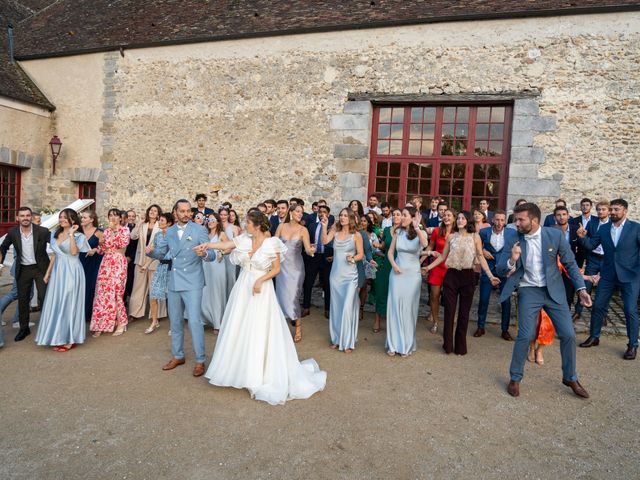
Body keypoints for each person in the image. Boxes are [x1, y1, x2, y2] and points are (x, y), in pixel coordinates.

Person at [200, 210, 326, 405]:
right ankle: (237, 368)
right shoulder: (244, 239)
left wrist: (261, 280)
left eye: (248, 223)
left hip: (261, 288)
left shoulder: (271, 243)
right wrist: (208, 244)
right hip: (243, 287)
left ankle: (258, 371)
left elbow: (276, 269)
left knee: (259, 326)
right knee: (239, 325)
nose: (245, 226)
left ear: (257, 225)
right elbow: (225, 244)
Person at [497, 202, 591, 398]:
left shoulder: (554, 235)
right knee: (525, 334)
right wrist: (512, 259)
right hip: (529, 290)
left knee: (568, 334)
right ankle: (515, 377)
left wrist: (581, 288)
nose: (517, 223)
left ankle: (570, 377)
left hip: (553, 290)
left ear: (534, 220)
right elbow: (500, 269)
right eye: (516, 219)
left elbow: (570, 263)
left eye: (521, 219)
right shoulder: (513, 237)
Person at [153, 199, 215, 377]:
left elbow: (211, 254)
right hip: (174, 280)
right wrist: (150, 251)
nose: (187, 214)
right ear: (175, 212)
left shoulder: (200, 229)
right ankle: (178, 355)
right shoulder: (170, 231)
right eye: (183, 211)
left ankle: (200, 360)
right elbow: (161, 253)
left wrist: (205, 254)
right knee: (176, 320)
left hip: (193, 281)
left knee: (195, 321)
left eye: (189, 211)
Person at [424, 211, 499, 355]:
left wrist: (490, 276)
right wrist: (428, 267)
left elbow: (480, 257)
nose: (459, 220)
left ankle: (460, 347)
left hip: (467, 276)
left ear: (468, 220)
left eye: (462, 218)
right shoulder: (451, 237)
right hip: (451, 275)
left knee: (464, 313)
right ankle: (448, 345)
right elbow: (442, 257)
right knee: (449, 311)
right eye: (457, 218)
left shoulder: (475, 237)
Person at [577, 198, 640, 360]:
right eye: (611, 209)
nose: (612, 212)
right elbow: (591, 245)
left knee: (630, 310)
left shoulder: (636, 228)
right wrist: (582, 237)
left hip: (630, 276)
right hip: (608, 274)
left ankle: (632, 345)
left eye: (616, 210)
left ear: (625, 211)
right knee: (598, 306)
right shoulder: (604, 229)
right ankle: (594, 337)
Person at [35, 209, 89, 351]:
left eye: (65, 217)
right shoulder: (54, 234)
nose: (62, 219)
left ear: (73, 219)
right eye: (61, 217)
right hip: (58, 272)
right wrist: (47, 274)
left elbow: (73, 252)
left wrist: (71, 234)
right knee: (57, 303)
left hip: (72, 271)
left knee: (69, 302)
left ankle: (71, 338)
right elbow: (54, 256)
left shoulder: (79, 236)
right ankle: (58, 336)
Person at [0, 206, 50, 342]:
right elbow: (3, 247)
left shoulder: (42, 231)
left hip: (40, 269)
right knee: (23, 299)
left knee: (43, 297)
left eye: (27, 215)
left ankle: (46, 326)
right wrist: (0, 263)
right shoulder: (12, 232)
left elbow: (57, 245)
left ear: (31, 217)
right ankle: (24, 329)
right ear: (18, 218)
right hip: (23, 269)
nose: (25, 218)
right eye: (22, 216)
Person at [385, 206, 430, 357]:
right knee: (394, 308)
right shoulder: (398, 232)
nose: (401, 218)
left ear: (412, 217)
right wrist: (394, 265)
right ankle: (393, 343)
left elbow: (424, 244)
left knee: (408, 310)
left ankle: (406, 344)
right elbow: (390, 253)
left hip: (412, 275)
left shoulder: (420, 232)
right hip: (397, 274)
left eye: (404, 215)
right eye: (401, 215)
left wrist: (417, 228)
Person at [321, 208, 363, 353]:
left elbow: (361, 255)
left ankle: (348, 341)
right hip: (335, 276)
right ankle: (337, 338)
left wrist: (352, 258)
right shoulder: (336, 232)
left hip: (350, 276)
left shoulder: (356, 235)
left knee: (346, 307)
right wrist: (325, 226)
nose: (342, 217)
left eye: (345, 215)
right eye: (341, 215)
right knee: (336, 307)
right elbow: (324, 241)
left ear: (351, 218)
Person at [275, 204, 316, 343]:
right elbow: (274, 245)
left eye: (302, 212)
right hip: (281, 268)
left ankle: (298, 328)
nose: (300, 214)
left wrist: (312, 250)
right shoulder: (281, 227)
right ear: (291, 212)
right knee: (280, 297)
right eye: (298, 211)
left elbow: (307, 249)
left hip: (296, 269)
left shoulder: (303, 230)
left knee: (293, 298)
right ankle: (279, 328)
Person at [475, 210, 516, 339]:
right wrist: (482, 250)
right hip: (488, 271)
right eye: (497, 220)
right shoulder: (483, 232)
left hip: (505, 271)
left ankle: (505, 329)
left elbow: (518, 248)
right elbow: (474, 246)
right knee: (483, 300)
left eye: (502, 220)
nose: (499, 223)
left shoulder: (512, 233)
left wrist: (513, 266)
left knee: (506, 301)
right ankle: (480, 327)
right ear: (492, 220)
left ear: (505, 221)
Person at [90, 208, 131, 337]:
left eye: (115, 215)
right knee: (102, 293)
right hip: (106, 262)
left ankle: (121, 322)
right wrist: (99, 246)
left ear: (120, 218)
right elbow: (102, 250)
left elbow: (122, 244)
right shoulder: (105, 231)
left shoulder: (124, 230)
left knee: (116, 293)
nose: (112, 218)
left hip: (118, 263)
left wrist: (113, 232)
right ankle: (101, 323)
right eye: (110, 216)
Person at [573, 200, 610, 321]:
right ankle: (578, 311)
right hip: (593, 257)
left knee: (604, 288)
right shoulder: (593, 222)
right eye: (599, 209)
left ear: (608, 211)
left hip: (606, 259)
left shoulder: (612, 225)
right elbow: (586, 239)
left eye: (603, 209)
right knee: (585, 286)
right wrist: (582, 237)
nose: (600, 211)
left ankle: (602, 315)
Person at [129, 204, 166, 321]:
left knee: (155, 287)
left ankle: (157, 314)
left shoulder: (160, 227)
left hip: (154, 260)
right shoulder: (142, 225)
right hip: (140, 260)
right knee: (137, 287)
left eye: (155, 211)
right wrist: (139, 223)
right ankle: (135, 313)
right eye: (151, 210)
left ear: (158, 213)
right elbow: (132, 236)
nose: (152, 212)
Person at [425, 208, 455, 334]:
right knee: (434, 295)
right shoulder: (437, 231)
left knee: (449, 297)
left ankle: (450, 320)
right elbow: (430, 246)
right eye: (445, 215)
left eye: (449, 215)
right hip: (437, 266)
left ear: (454, 218)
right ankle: (436, 321)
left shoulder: (458, 233)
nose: (446, 217)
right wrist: (421, 259)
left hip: (451, 267)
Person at [144, 213, 175, 334]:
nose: (159, 222)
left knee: (172, 298)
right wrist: (147, 261)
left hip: (173, 268)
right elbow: (157, 253)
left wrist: (152, 252)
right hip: (161, 266)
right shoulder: (157, 235)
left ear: (169, 223)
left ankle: (173, 325)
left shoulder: (175, 236)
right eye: (159, 220)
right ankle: (154, 321)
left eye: (162, 220)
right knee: (153, 295)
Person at [302, 204, 333, 320]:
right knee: (308, 282)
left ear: (328, 214)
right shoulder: (312, 226)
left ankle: (328, 309)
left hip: (327, 258)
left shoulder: (331, 228)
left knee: (327, 284)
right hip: (314, 257)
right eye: (320, 212)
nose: (321, 214)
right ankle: (306, 307)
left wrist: (333, 255)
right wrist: (309, 246)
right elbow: (307, 240)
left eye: (324, 212)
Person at [373, 208, 402, 334]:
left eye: (398, 214)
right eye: (394, 214)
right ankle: (377, 320)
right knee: (381, 292)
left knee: (396, 294)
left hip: (400, 265)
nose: (395, 216)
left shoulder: (405, 231)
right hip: (386, 266)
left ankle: (393, 321)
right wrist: (378, 245)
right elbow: (384, 245)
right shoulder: (386, 230)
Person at [200, 213, 228, 334]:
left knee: (217, 292)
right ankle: (204, 320)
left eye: (212, 219)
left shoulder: (221, 234)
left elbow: (230, 247)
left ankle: (218, 323)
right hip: (205, 265)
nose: (210, 221)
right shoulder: (204, 234)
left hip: (217, 266)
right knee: (205, 292)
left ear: (217, 221)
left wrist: (222, 253)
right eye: (208, 219)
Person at [79, 210, 104, 323]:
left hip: (94, 263)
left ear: (92, 219)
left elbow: (104, 248)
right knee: (79, 287)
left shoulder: (98, 232)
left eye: (85, 217)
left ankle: (88, 314)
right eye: (82, 217)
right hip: (79, 261)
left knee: (90, 287)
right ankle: (78, 313)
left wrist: (95, 249)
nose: (82, 219)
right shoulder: (78, 231)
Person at [553, 205, 580, 309]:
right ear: (554, 217)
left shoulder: (576, 230)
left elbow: (581, 250)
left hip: (570, 267)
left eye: (564, 214)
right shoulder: (550, 230)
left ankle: (565, 316)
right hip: (555, 268)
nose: (561, 217)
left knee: (568, 295)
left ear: (568, 216)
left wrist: (580, 266)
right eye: (558, 215)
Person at [219, 207, 241, 295]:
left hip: (229, 257)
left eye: (225, 215)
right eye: (221, 215)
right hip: (218, 257)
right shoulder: (216, 226)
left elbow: (236, 244)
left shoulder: (234, 228)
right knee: (219, 280)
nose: (223, 217)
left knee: (230, 279)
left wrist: (224, 252)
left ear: (228, 215)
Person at [123, 209, 138, 305]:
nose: (131, 218)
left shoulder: (137, 228)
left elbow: (137, 246)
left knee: (131, 280)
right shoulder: (122, 228)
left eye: (133, 216)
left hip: (132, 258)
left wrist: (130, 257)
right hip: (121, 257)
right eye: (129, 216)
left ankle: (129, 300)